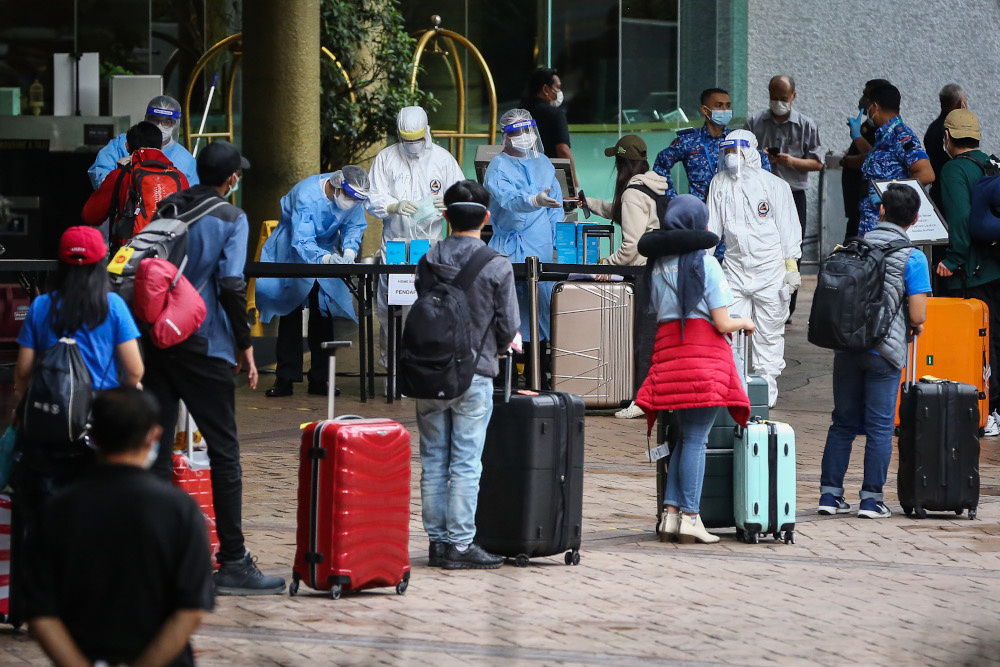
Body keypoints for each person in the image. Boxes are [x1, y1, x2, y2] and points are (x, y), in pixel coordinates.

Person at [143, 141, 285, 595]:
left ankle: (158, 556)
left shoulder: (168, 207)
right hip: (205, 343)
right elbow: (228, 284)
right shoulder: (230, 217)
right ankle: (234, 561)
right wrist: (246, 344)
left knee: (158, 452)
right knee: (224, 451)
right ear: (231, 179)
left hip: (157, 340)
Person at [23, 387, 213, 667]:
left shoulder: (55, 510)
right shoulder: (180, 511)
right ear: (154, 436)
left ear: (94, 437)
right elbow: (191, 610)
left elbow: (40, 613)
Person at [11, 225, 144, 624]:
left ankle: (33, 606)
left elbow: (22, 373)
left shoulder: (40, 307)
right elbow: (134, 371)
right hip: (96, 432)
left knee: (38, 518)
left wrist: (31, 406)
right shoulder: (113, 307)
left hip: (47, 432)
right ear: (103, 262)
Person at [634, 195, 754, 544]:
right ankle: (690, 516)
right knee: (697, 440)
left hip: (670, 354)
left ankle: (669, 516)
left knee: (683, 439)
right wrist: (744, 320)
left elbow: (658, 310)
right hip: (703, 358)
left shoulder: (657, 265)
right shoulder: (706, 264)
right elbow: (721, 321)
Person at [415, 180, 519, 570]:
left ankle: (437, 543)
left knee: (433, 460)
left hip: (429, 371)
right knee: (465, 462)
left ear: (445, 216)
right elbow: (509, 326)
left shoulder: (428, 259)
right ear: (487, 217)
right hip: (474, 372)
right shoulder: (496, 264)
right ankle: (460, 544)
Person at [818, 184, 930, 518]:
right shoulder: (914, 256)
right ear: (915, 219)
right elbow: (918, 315)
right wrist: (916, 325)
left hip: (846, 346)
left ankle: (829, 495)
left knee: (842, 422)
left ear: (881, 211)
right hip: (885, 351)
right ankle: (871, 499)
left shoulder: (853, 245)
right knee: (881, 427)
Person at [254, 166, 369, 398]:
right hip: (292, 248)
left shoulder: (353, 198)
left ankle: (321, 378)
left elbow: (354, 226)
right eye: (347, 196)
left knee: (322, 313)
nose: (349, 202)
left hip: (326, 249)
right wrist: (324, 258)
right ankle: (285, 378)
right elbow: (302, 239)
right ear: (336, 184)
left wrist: (348, 251)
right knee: (290, 310)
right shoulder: (307, 194)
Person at [706, 129, 801, 407]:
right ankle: (733, 386)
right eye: (727, 152)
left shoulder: (774, 186)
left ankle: (765, 388)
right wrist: (703, 263)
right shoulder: (719, 184)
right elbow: (712, 228)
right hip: (734, 269)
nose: (731, 157)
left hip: (770, 270)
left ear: (749, 151)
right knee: (730, 329)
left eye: (736, 151)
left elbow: (789, 228)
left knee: (769, 332)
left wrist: (791, 266)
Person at [367, 106, 465, 368]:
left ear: (427, 132)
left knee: (429, 307)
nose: (412, 145)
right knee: (391, 308)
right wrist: (392, 206)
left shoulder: (443, 160)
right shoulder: (386, 159)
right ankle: (394, 364)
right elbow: (373, 196)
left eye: (417, 140)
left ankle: (425, 365)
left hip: (430, 246)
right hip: (396, 246)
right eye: (407, 140)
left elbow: (463, 196)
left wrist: (449, 203)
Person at [585, 134, 669, 419]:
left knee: (643, 340)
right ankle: (655, 396)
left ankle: (642, 401)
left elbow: (631, 246)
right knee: (656, 338)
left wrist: (606, 265)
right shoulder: (652, 185)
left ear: (622, 164)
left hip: (643, 273)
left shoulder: (633, 192)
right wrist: (590, 204)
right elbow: (626, 215)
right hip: (660, 269)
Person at [484, 108, 563, 388]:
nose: (523, 137)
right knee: (509, 311)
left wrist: (558, 244)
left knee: (540, 309)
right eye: (516, 133)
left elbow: (556, 208)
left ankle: (536, 375)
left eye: (526, 131)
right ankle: (507, 378)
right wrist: (533, 200)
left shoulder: (543, 163)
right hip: (509, 246)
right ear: (505, 137)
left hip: (539, 245)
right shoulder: (497, 167)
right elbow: (508, 200)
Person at [934, 109, 1000, 436]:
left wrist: (953, 259)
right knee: (996, 340)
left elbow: (960, 220)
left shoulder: (953, 169)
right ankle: (996, 408)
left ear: (947, 137)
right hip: (994, 269)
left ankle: (984, 413)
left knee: (976, 345)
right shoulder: (991, 164)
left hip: (970, 274)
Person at [745, 74, 823, 318]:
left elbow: (818, 163)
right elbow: (741, 157)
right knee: (759, 246)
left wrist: (792, 161)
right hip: (761, 194)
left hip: (793, 193)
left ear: (793, 97)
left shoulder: (807, 125)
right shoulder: (755, 122)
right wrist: (759, 157)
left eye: (784, 98)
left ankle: (787, 306)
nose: (779, 102)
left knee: (791, 250)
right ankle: (760, 300)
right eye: (774, 98)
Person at [653, 87, 773, 203]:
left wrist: (756, 193)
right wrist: (672, 198)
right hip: (701, 208)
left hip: (731, 207)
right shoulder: (689, 140)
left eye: (728, 105)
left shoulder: (736, 138)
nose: (725, 110)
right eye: (719, 105)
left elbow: (762, 160)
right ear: (705, 110)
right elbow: (661, 162)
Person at [81, 121, 190, 238]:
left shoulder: (119, 176)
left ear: (127, 146)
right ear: (161, 147)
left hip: (129, 252)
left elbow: (90, 216)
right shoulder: (180, 177)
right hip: (169, 251)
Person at [856, 82, 934, 235]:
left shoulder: (901, 135)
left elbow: (926, 174)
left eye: (869, 107)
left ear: (875, 107)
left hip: (888, 228)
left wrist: (887, 194)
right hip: (871, 223)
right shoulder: (883, 136)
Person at [88, 95, 198, 189]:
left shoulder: (185, 160)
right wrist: (110, 183)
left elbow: (192, 199)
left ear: (175, 124)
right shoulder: (120, 143)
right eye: (154, 119)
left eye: (167, 122)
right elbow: (101, 172)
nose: (159, 125)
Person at [841, 79, 890, 239]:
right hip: (858, 202)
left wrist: (845, 161)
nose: (862, 100)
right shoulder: (868, 126)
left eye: (866, 95)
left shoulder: (882, 130)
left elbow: (870, 159)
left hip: (871, 206)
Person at [522, 67, 575, 176]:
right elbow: (563, 150)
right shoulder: (555, 114)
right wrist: (575, 184)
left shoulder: (519, 114)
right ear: (546, 89)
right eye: (558, 87)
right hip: (548, 177)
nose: (559, 92)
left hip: (523, 175)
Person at [924, 84, 967, 210]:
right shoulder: (955, 129)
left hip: (936, 192)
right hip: (952, 194)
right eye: (965, 101)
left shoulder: (933, 127)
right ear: (960, 104)